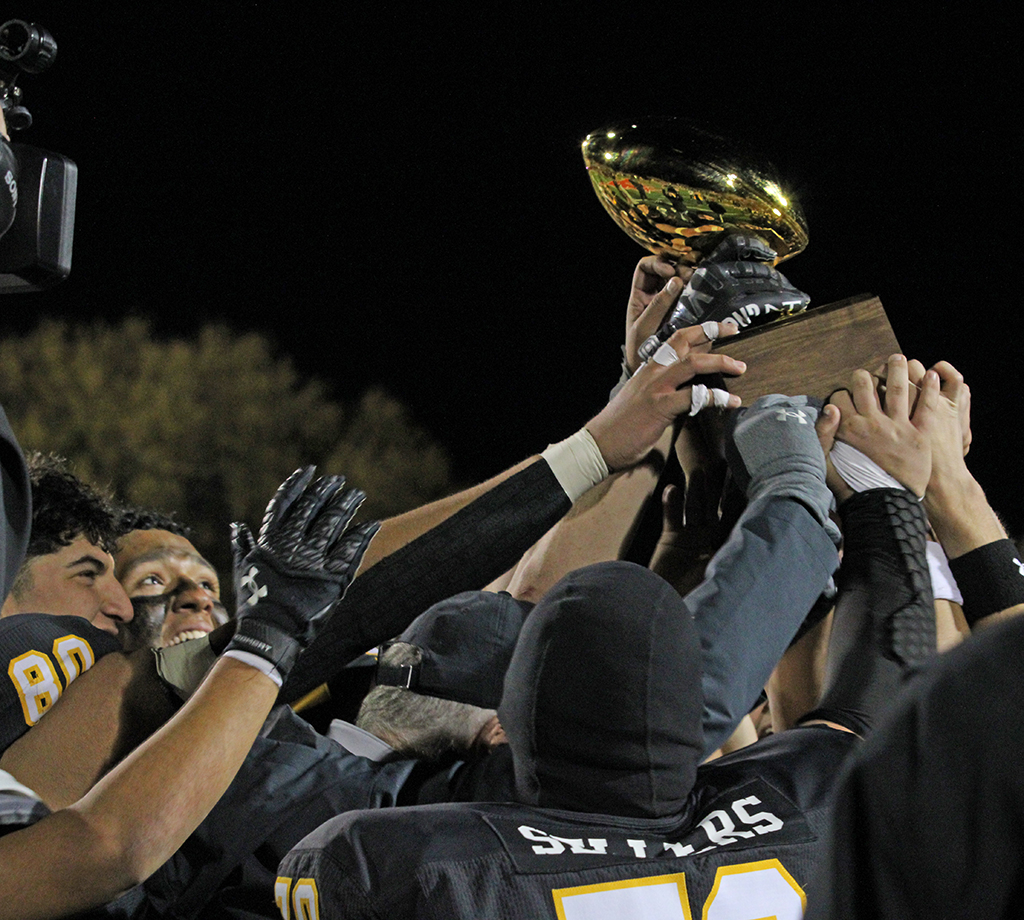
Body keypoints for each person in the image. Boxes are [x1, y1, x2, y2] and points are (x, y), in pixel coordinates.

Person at [276, 358, 942, 918]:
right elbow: (884, 669)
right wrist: (881, 497)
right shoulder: (808, 798)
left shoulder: (393, 859)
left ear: (515, 720)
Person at [0, 446, 378, 919]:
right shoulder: (60, 657)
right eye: (152, 582)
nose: (120, 605)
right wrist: (266, 636)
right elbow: (99, 848)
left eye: (213, 586)